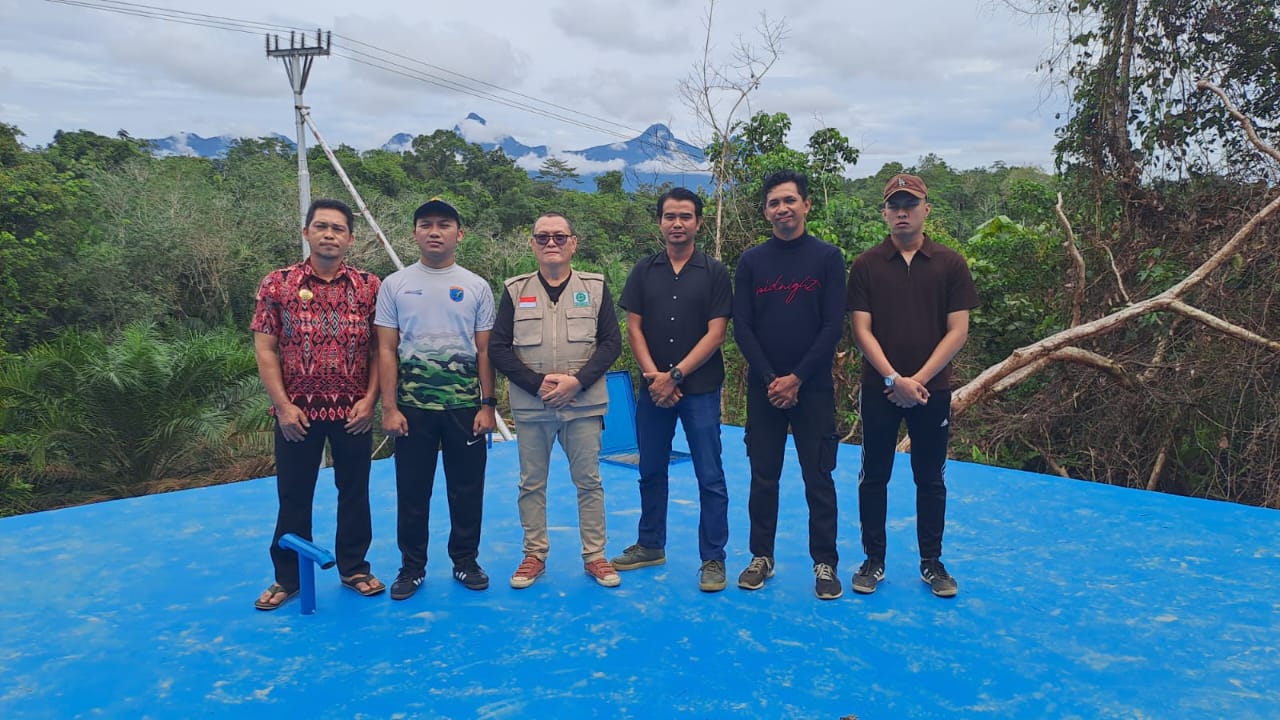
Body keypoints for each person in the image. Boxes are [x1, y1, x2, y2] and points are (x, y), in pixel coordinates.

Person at [846, 174, 978, 598]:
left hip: (930, 392)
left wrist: (916, 381)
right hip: (879, 389)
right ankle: (873, 559)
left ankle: (932, 562)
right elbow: (861, 330)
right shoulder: (866, 265)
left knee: (931, 477)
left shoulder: (950, 264)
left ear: (926, 209)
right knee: (874, 476)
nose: (902, 213)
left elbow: (958, 331)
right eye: (895, 206)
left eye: (910, 205)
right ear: (884, 212)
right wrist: (892, 378)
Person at [252, 198, 384, 611]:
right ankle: (287, 577)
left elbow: (380, 350)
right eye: (321, 226)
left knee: (355, 493)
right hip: (297, 415)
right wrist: (282, 406)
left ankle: (354, 568)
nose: (329, 234)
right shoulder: (278, 284)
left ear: (350, 239)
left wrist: (370, 400)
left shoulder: (370, 286)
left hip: (353, 415)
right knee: (293, 495)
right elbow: (266, 349)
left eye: (338, 228)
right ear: (306, 232)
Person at [489, 212, 623, 589]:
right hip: (533, 407)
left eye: (560, 237)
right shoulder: (515, 290)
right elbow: (498, 348)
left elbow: (611, 343)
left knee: (589, 481)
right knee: (531, 483)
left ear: (573, 243)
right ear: (532, 244)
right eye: (543, 237)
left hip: (583, 405)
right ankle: (534, 554)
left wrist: (576, 383)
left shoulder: (595, 288)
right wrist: (536, 384)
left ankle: (595, 555)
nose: (552, 243)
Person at [610, 188, 733, 592]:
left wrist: (674, 376)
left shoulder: (714, 273)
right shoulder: (644, 271)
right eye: (669, 216)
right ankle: (650, 544)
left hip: (700, 389)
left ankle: (713, 557)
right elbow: (634, 328)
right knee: (650, 469)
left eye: (685, 216)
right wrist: (654, 377)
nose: (677, 223)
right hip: (653, 391)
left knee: (710, 475)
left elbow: (716, 334)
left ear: (698, 222)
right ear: (660, 222)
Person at [732, 170, 847, 600]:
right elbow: (742, 327)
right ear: (766, 212)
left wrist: (797, 378)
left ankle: (825, 563)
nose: (782, 209)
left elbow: (833, 325)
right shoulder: (751, 262)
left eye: (789, 200)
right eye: (774, 203)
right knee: (763, 477)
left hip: (813, 389)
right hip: (764, 390)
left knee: (819, 477)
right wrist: (771, 379)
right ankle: (761, 556)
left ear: (806, 205)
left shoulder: (828, 258)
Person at [375, 197, 497, 600]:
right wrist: (389, 407)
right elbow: (386, 350)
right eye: (426, 224)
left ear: (459, 234)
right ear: (414, 233)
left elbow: (485, 350)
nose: (434, 232)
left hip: (465, 408)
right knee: (412, 492)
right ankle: (411, 568)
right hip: (413, 410)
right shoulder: (394, 285)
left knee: (467, 490)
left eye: (444, 225)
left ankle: (466, 561)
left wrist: (488, 405)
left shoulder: (476, 286)